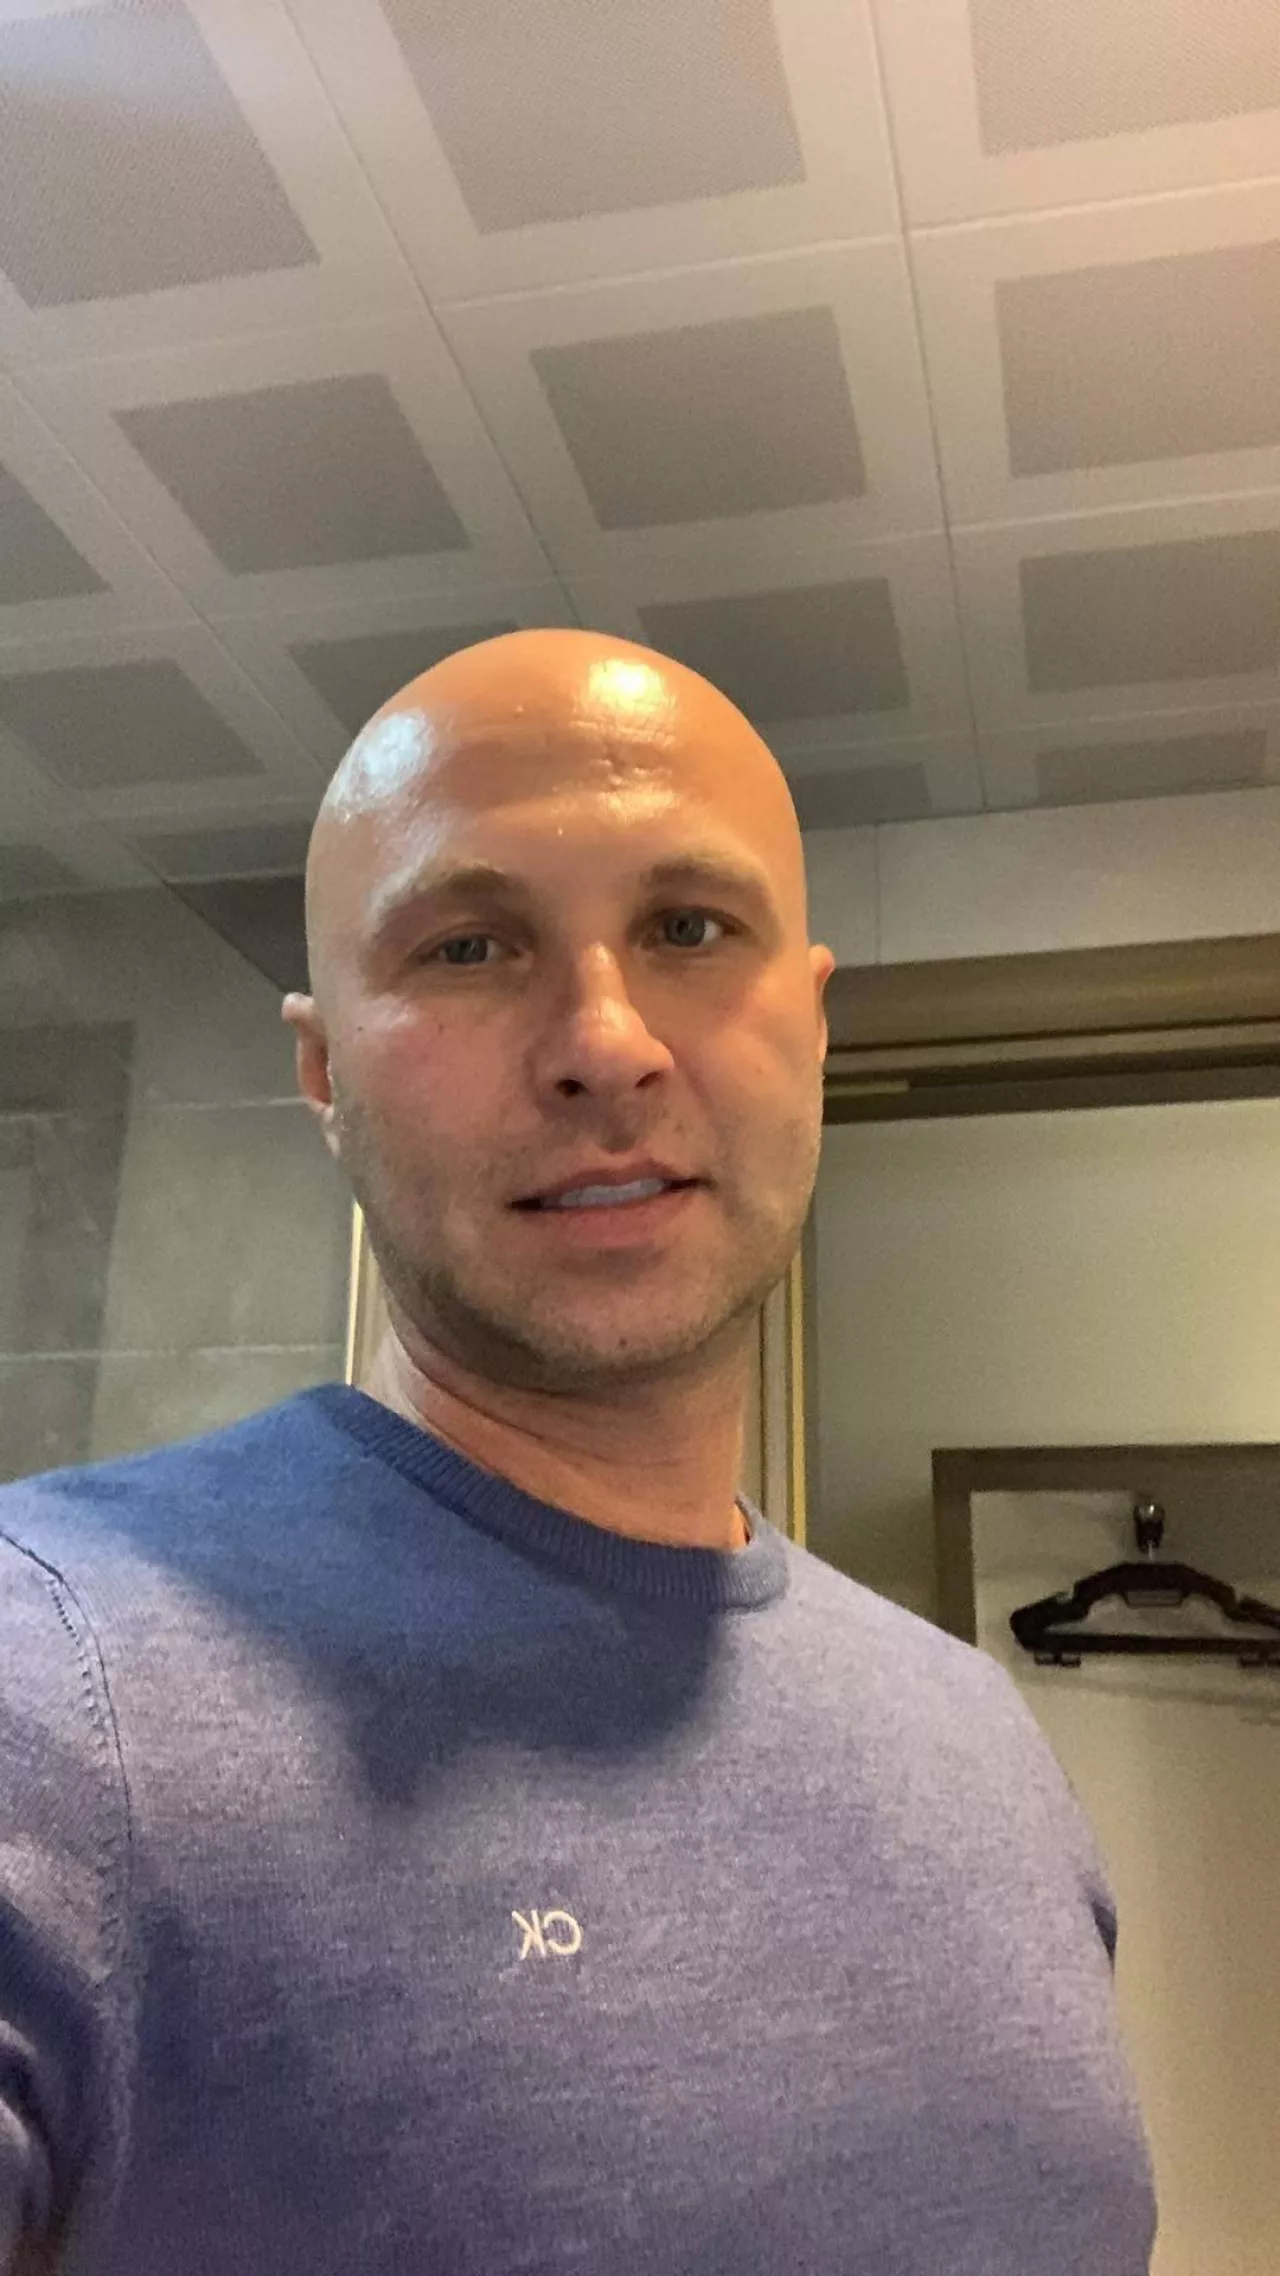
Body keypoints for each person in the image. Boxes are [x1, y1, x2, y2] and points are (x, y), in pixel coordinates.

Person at [0, 628, 1157, 2273]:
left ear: (813, 1024)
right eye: (471, 946)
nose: (605, 1040)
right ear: (323, 1072)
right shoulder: (52, 1683)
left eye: (689, 928)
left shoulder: (984, 1745)